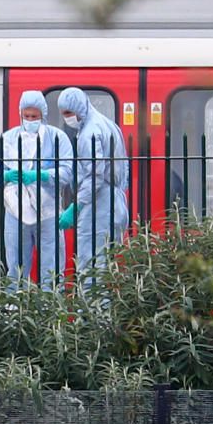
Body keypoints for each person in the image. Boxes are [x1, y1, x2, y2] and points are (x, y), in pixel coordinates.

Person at [0, 91, 74, 290]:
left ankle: (51, 313)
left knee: (51, 270)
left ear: (42, 115)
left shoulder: (57, 138)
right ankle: (14, 313)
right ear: (20, 114)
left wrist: (41, 175)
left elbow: (67, 172)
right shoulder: (9, 138)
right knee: (16, 270)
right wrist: (6, 176)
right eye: (26, 116)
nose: (29, 120)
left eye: (34, 116)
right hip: (15, 212)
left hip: (48, 213)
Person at [56, 88, 129, 283]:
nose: (67, 118)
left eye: (68, 113)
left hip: (98, 204)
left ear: (79, 107)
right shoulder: (106, 124)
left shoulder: (90, 133)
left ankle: (91, 312)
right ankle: (99, 310)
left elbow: (95, 175)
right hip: (112, 200)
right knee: (103, 263)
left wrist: (76, 206)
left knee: (90, 264)